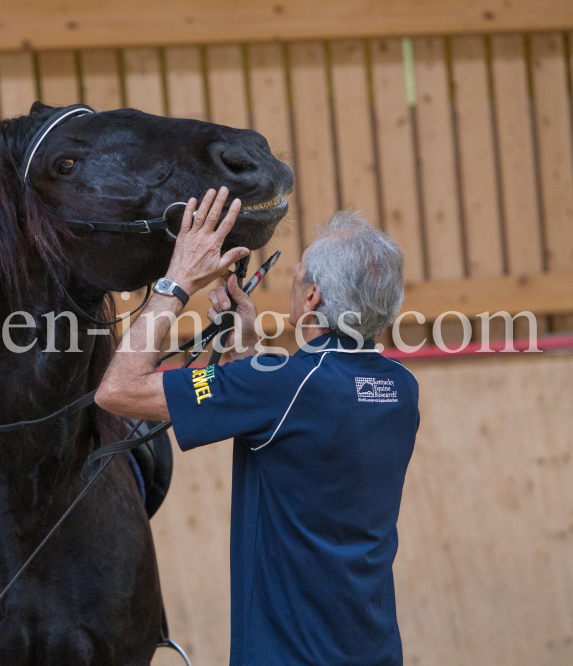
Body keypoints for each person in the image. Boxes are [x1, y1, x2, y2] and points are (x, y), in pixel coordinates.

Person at [95, 186, 419, 666]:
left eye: (296, 278)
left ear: (312, 297)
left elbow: (117, 390)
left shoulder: (279, 387)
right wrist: (245, 346)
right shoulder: (401, 387)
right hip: (371, 651)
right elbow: (296, 428)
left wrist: (176, 283)